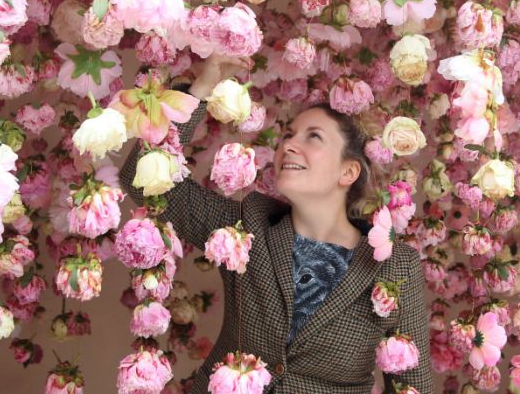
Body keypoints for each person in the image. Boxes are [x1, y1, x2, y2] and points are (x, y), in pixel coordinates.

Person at [119, 54, 434, 394]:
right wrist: (201, 89)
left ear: (348, 171)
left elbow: (412, 385)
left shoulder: (393, 264)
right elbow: (140, 177)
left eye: (313, 137)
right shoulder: (247, 226)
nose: (289, 145)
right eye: (287, 135)